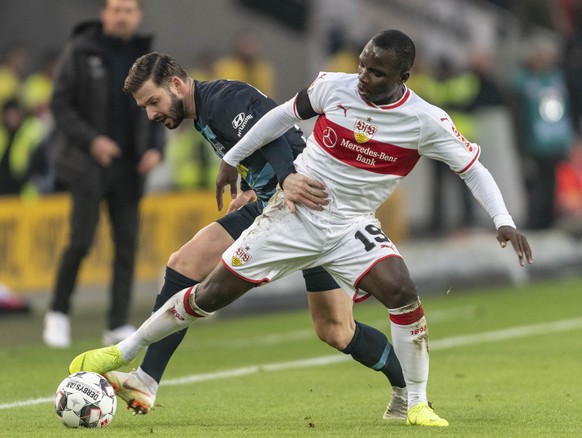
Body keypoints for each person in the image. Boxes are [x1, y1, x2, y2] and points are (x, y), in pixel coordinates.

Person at [70, 30, 534, 427]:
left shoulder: (427, 121)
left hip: (347, 224)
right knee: (209, 293)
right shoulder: (336, 86)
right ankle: (126, 353)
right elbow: (282, 116)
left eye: (375, 73)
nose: (363, 78)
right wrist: (234, 162)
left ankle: (414, 402)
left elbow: (473, 168)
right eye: (362, 66)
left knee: (392, 295)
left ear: (402, 79)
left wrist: (504, 221)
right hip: (291, 219)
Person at [67, 52, 409, 420]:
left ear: (178, 85)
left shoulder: (221, 100)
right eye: (145, 107)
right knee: (184, 264)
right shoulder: (205, 111)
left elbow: (271, 128)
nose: (151, 113)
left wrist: (286, 177)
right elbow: (254, 140)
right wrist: (249, 185)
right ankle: (146, 380)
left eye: (154, 101)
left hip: (306, 209)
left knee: (336, 331)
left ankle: (407, 391)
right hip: (268, 204)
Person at [43, 0, 165, 348]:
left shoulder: (146, 56)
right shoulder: (82, 50)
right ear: (104, 14)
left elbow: (160, 101)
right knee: (80, 241)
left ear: (138, 15)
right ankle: (58, 312)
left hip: (130, 166)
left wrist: (156, 148)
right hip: (87, 165)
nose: (122, 16)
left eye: (129, 10)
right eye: (116, 9)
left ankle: (117, 322)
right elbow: (60, 105)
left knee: (127, 246)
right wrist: (92, 141)